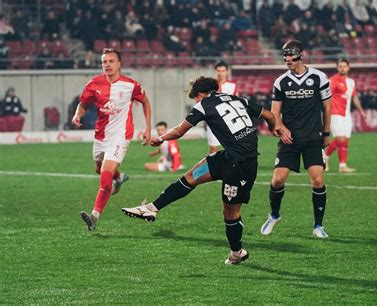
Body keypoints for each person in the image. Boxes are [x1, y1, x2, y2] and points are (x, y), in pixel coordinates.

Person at [121, 76, 276, 265]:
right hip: (229, 157)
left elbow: (179, 131)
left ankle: (237, 252)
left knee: (231, 213)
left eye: (195, 97)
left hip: (241, 165)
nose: (196, 101)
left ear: (201, 94)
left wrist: (160, 139)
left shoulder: (204, 104)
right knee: (191, 176)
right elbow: (269, 115)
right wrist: (274, 128)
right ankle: (151, 209)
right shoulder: (237, 99)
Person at [72, 48, 152, 231]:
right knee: (98, 169)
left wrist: (148, 128)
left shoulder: (131, 85)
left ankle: (94, 216)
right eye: (104, 62)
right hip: (101, 136)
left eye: (111, 61)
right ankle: (120, 177)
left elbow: (145, 102)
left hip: (120, 137)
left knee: (105, 177)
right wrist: (78, 114)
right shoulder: (94, 83)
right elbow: (83, 102)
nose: (107, 64)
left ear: (119, 64)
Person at [259, 40, 332, 239]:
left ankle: (318, 225)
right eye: (284, 56)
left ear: (300, 55)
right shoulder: (281, 81)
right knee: (277, 179)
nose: (287, 60)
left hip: (313, 138)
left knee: (318, 180)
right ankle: (274, 216)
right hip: (290, 139)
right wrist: (281, 129)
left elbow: (327, 108)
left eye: (290, 55)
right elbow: (275, 112)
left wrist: (326, 134)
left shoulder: (319, 77)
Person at [324, 59, 366, 173]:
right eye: (340, 66)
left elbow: (355, 98)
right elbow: (327, 96)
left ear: (348, 67)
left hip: (346, 114)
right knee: (339, 138)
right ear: (337, 68)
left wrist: (361, 111)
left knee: (345, 141)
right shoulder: (332, 80)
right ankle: (324, 157)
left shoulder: (351, 82)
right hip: (335, 113)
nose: (342, 68)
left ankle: (342, 166)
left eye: (344, 66)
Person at [204, 61, 240, 155]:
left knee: (231, 148)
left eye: (223, 71)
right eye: (218, 71)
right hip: (213, 121)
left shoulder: (233, 86)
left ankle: (230, 169)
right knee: (213, 149)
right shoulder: (209, 86)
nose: (221, 73)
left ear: (227, 72)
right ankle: (210, 169)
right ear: (215, 72)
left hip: (228, 122)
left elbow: (236, 103)